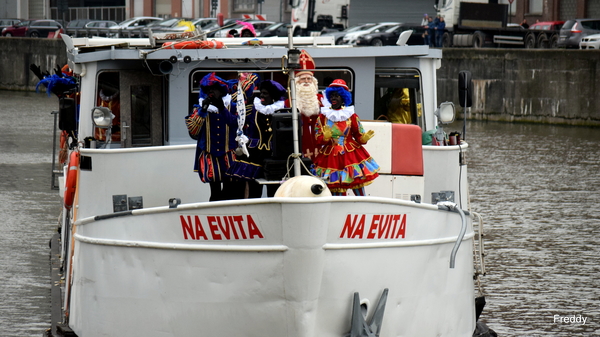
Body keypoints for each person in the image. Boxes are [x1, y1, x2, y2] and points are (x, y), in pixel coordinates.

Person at [312, 79, 380, 196]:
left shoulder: (351, 115)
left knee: (356, 180)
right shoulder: (323, 117)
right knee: (335, 184)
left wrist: (363, 138)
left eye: (337, 96)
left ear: (343, 97)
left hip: (350, 154)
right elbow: (317, 138)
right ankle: (338, 207)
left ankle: (362, 205)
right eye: (332, 96)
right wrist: (325, 138)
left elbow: (358, 135)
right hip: (331, 155)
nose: (333, 98)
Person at [185, 72, 242, 201]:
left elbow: (236, 124)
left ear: (221, 91)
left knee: (229, 191)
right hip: (210, 154)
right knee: (215, 193)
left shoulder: (232, 107)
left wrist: (222, 108)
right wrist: (202, 110)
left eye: (214, 89)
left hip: (229, 153)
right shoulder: (199, 108)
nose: (211, 92)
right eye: (208, 89)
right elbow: (193, 130)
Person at [228, 78, 288, 198]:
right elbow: (237, 120)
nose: (261, 95)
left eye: (265, 93)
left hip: (273, 155)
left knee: (274, 188)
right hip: (255, 153)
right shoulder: (253, 109)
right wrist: (243, 137)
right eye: (261, 92)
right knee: (254, 189)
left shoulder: (283, 111)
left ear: (273, 96)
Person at [293, 49, 323, 161]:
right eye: (303, 79)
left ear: (313, 81)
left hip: (317, 136)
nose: (306, 81)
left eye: (309, 78)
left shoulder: (321, 99)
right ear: (297, 82)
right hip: (300, 136)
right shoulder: (292, 100)